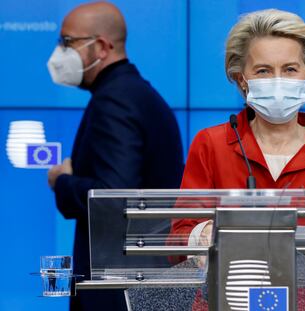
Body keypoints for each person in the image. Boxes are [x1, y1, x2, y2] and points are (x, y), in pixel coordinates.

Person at [170, 9, 305, 311]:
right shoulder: (210, 144)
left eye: (290, 69)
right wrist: (202, 236)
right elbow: (175, 244)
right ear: (242, 80)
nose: (278, 81)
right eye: (263, 70)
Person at [47, 2, 183, 310]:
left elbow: (114, 198)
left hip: (119, 288)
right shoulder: (136, 93)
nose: (59, 52)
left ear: (103, 46)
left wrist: (63, 181)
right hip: (137, 281)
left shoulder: (116, 101)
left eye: (67, 42)